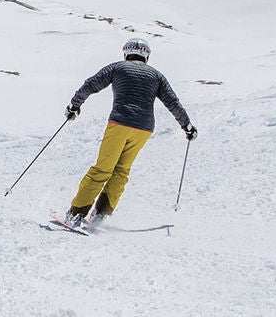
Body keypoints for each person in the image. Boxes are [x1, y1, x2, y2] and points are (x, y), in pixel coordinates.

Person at [58, 38, 194, 230]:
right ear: (146, 55)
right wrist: (187, 126)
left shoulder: (118, 67)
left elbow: (91, 84)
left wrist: (74, 105)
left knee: (102, 169)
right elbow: (172, 102)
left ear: (126, 53)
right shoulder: (157, 76)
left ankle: (76, 213)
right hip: (144, 129)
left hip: (120, 123)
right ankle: (101, 215)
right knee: (121, 172)